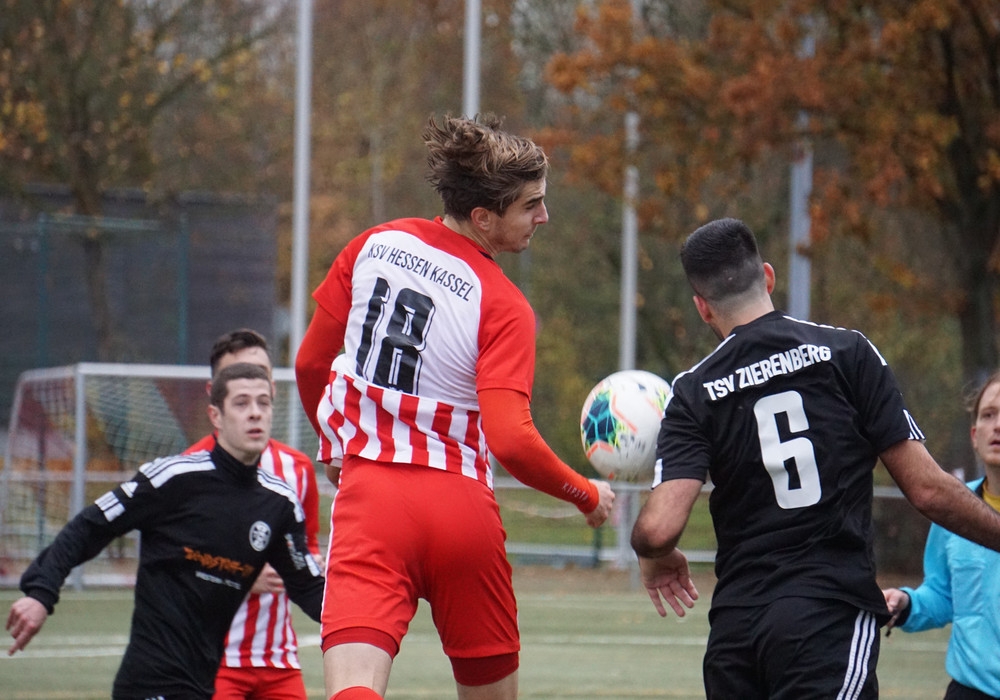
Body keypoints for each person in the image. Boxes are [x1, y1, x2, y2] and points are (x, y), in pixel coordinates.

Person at [295, 113, 616, 700]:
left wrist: (335, 444)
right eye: (532, 205)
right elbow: (511, 440)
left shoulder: (373, 245)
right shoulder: (504, 305)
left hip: (371, 503)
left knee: (354, 689)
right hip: (460, 510)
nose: (544, 216)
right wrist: (586, 494)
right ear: (483, 217)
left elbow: (310, 365)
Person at [630, 217, 1000, 699]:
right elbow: (928, 490)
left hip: (737, 634)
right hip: (827, 620)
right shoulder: (847, 353)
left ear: (702, 307)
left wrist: (653, 555)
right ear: (767, 277)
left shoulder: (693, 391)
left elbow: (659, 529)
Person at [6, 363, 325, 700]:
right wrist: (41, 593)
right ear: (216, 416)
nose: (255, 413)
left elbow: (308, 586)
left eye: (264, 402)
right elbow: (90, 526)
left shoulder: (279, 504)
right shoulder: (173, 479)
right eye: (242, 403)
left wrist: (360, 621)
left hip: (202, 684)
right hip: (150, 682)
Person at [184, 329, 322, 700]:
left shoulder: (297, 469)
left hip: (279, 661)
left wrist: (311, 565)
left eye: (260, 375)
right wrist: (238, 571)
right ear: (215, 396)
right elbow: (171, 563)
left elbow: (306, 546)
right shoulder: (188, 470)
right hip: (211, 658)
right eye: (238, 377)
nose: (251, 383)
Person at [882, 371, 1000, 700]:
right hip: (970, 691)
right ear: (974, 435)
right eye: (989, 415)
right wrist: (907, 604)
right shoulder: (954, 512)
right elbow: (942, 595)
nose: (998, 426)